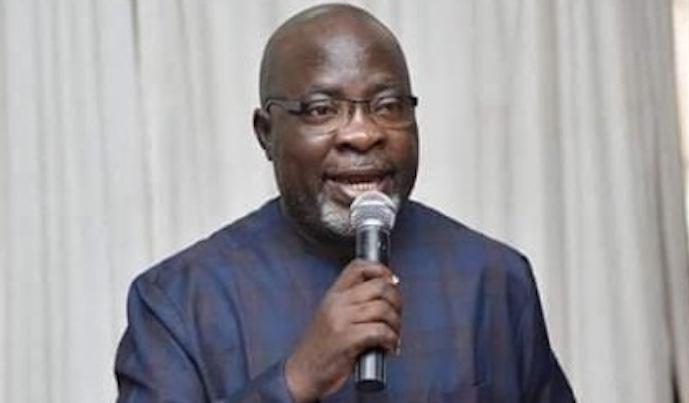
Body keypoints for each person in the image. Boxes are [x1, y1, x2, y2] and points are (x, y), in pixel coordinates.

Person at [114, 4, 575, 402]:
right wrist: (295, 380)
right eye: (321, 109)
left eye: (388, 105)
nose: (363, 133)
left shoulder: (493, 280)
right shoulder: (178, 302)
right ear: (266, 133)